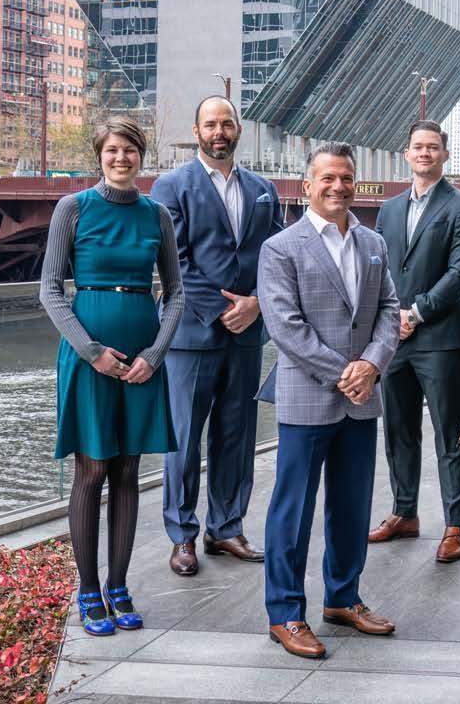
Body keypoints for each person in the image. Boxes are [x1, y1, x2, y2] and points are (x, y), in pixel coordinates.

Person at [39, 116, 184, 637]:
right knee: (93, 469)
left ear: (141, 156)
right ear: (99, 156)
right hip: (88, 357)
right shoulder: (73, 208)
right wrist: (92, 351)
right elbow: (50, 290)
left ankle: (119, 587)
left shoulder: (157, 214)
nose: (121, 158)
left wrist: (156, 354)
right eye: (112, 150)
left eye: (130, 150)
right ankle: (88, 589)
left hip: (143, 360)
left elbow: (176, 293)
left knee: (127, 470)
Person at [258, 141, 401, 660]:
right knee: (293, 510)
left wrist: (373, 364)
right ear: (307, 186)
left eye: (346, 178)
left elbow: (389, 308)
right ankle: (285, 613)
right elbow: (285, 326)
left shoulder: (373, 242)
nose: (339, 186)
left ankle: (342, 597)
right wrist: (347, 372)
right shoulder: (281, 247)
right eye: (328, 178)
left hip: (361, 397)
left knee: (352, 504)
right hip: (309, 396)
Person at [151, 95, 284, 577]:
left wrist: (257, 304)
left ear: (238, 130)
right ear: (197, 131)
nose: (219, 132)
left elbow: (278, 255)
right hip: (191, 334)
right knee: (184, 440)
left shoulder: (264, 189)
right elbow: (175, 261)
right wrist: (226, 309)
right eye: (210, 124)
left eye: (227, 123)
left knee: (237, 436)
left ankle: (226, 528)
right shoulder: (170, 187)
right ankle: (182, 535)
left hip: (246, 336)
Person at [368, 120, 460, 563]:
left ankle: (455, 524)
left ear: (444, 155)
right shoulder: (389, 209)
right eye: (418, 147)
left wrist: (415, 313)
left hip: (439, 338)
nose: (425, 153)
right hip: (393, 339)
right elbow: (379, 266)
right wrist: (388, 317)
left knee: (449, 432)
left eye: (433, 147)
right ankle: (404, 512)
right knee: (398, 429)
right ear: (407, 153)